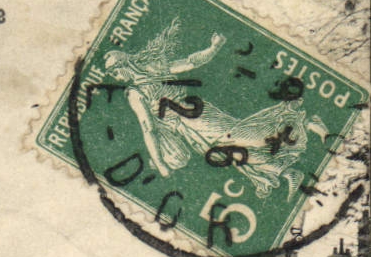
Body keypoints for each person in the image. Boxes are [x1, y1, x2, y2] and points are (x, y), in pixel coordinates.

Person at [102, 18, 325, 200]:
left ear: (125, 64)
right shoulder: (152, 72)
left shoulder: (136, 92)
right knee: (231, 152)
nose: (116, 77)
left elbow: (148, 128)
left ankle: (303, 122)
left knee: (239, 138)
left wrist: (160, 163)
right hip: (191, 125)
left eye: (115, 72)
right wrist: (213, 48)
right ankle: (286, 172)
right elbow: (191, 62)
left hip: (196, 119)